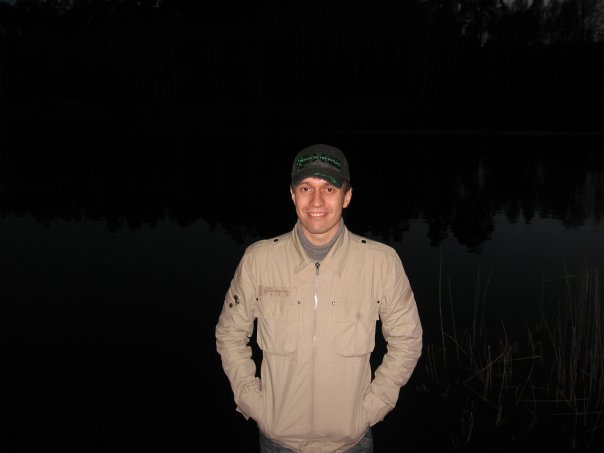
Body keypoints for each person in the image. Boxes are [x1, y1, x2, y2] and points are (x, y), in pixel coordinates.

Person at [215, 144, 423, 453]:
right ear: (292, 194)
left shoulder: (382, 263)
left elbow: (407, 340)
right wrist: (253, 401)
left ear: (346, 196)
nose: (316, 201)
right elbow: (230, 334)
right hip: (277, 442)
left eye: (329, 188)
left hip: (351, 443)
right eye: (305, 188)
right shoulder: (258, 260)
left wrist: (371, 408)